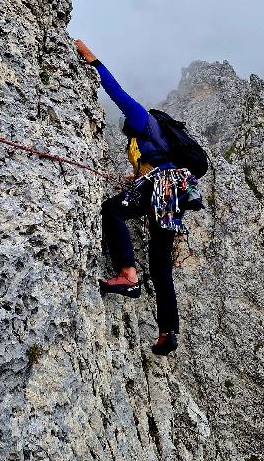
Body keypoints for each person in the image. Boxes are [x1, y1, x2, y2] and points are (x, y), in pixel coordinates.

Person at [74, 39, 188, 356]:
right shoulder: (150, 145)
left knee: (112, 209)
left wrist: (96, 64)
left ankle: (128, 276)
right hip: (173, 192)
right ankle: (168, 331)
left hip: (162, 186)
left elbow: (118, 94)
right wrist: (135, 176)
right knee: (160, 264)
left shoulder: (141, 120)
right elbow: (151, 168)